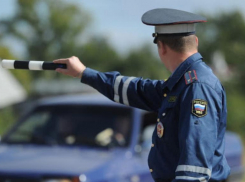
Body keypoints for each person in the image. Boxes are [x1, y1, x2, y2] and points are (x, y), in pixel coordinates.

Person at [53, 8, 230, 182]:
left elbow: (193, 171)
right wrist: (84, 73)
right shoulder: (183, 84)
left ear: (161, 47)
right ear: (195, 41)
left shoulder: (196, 86)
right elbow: (136, 90)